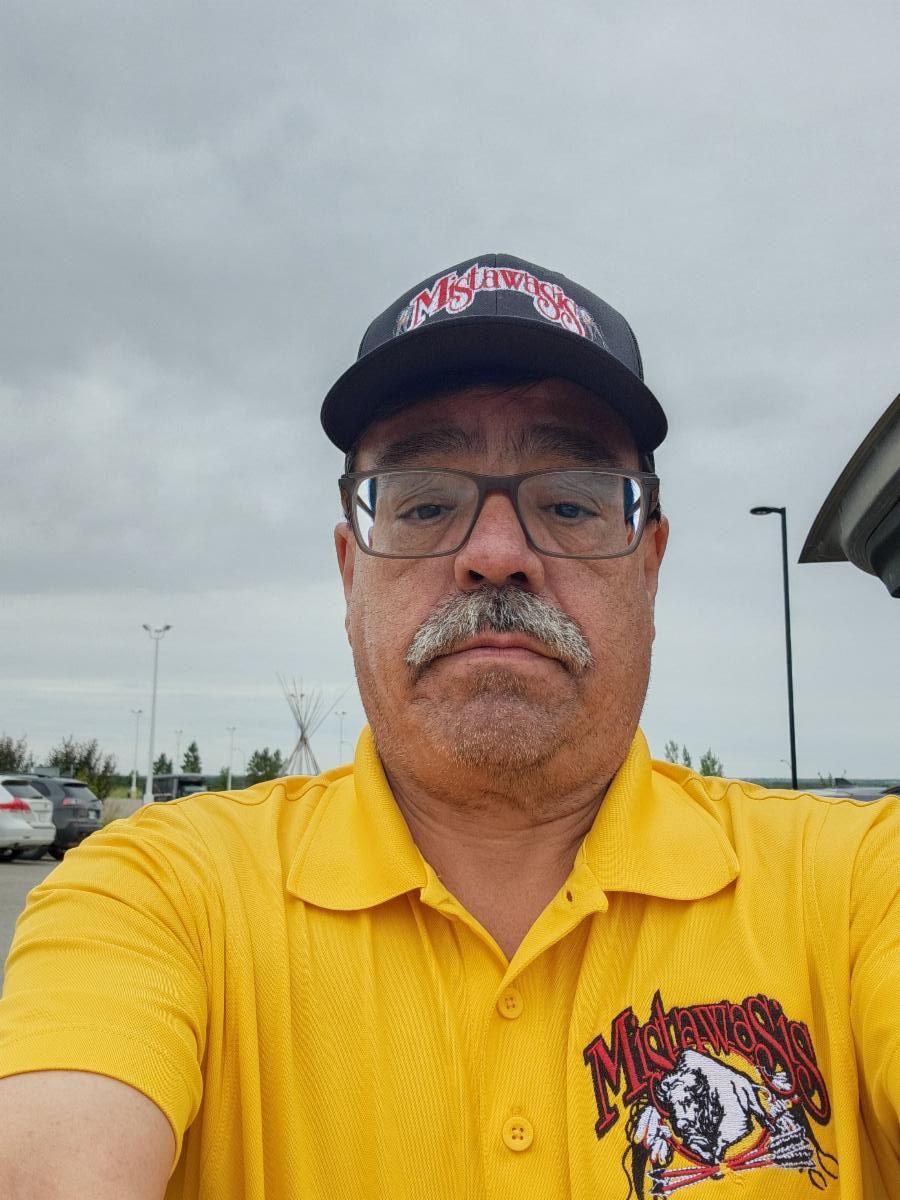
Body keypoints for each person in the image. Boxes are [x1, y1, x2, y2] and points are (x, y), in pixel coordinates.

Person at [0, 253, 897, 1199]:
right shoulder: (164, 894)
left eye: (569, 502)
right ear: (350, 570)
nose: (496, 554)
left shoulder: (854, 886)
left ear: (649, 565)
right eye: (426, 504)